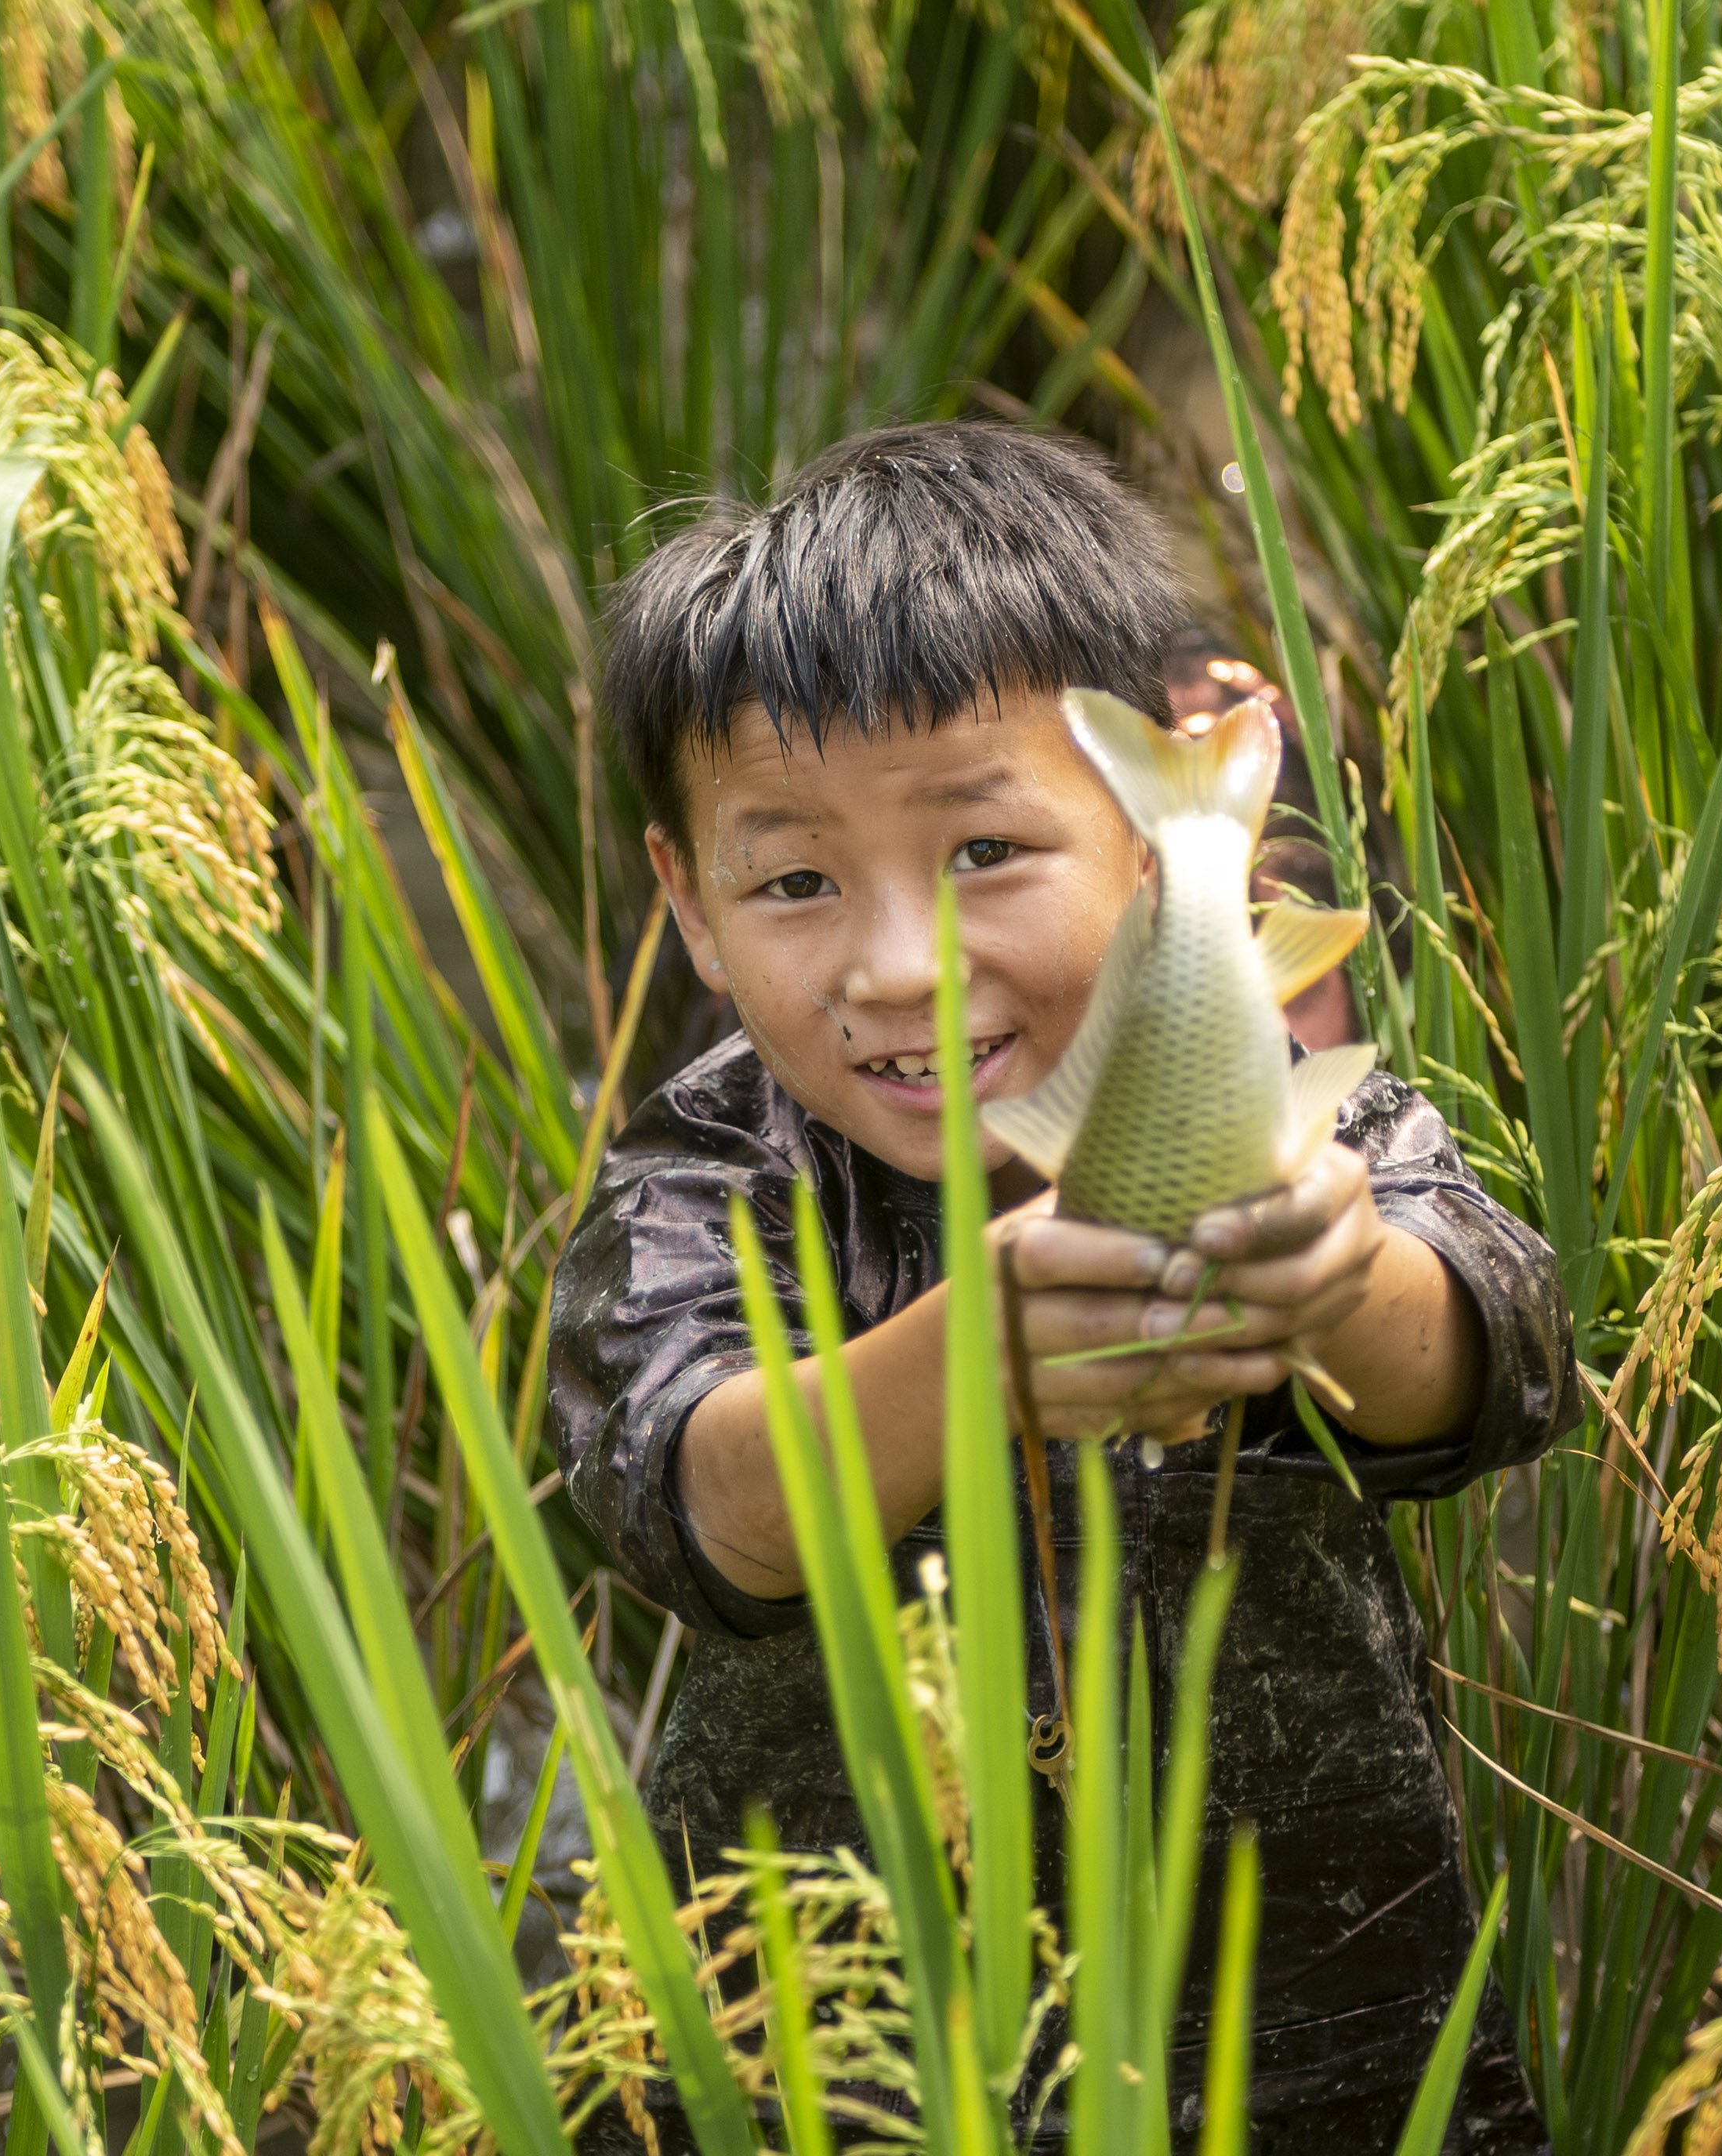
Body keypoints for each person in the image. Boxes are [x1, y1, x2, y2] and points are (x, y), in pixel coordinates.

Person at [549, 422, 1568, 2151]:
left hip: (1316, 2035)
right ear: (693, 909)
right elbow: (691, 1496)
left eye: (982, 856)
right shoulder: (705, 1181)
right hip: (837, 2061)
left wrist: (1339, 1277)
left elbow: (1491, 1358)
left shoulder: (1258, 1093)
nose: (897, 966)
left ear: (1144, 822)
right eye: (795, 881)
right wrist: (977, 1354)